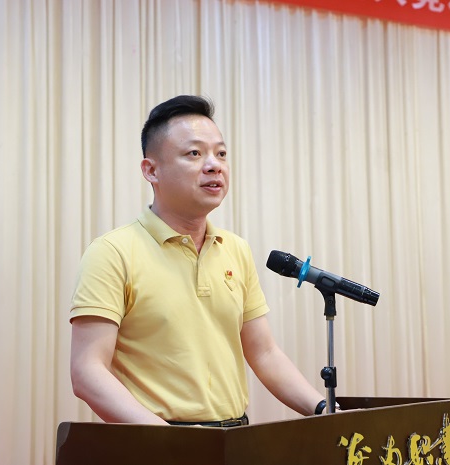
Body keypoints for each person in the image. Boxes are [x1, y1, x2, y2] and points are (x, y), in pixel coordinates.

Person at [69, 95, 325, 426]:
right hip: (158, 442)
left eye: (221, 154)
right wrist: (170, 442)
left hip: (235, 436)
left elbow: (264, 353)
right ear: (151, 170)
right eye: (194, 153)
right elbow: (87, 371)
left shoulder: (235, 249)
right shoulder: (112, 252)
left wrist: (325, 411)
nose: (214, 165)